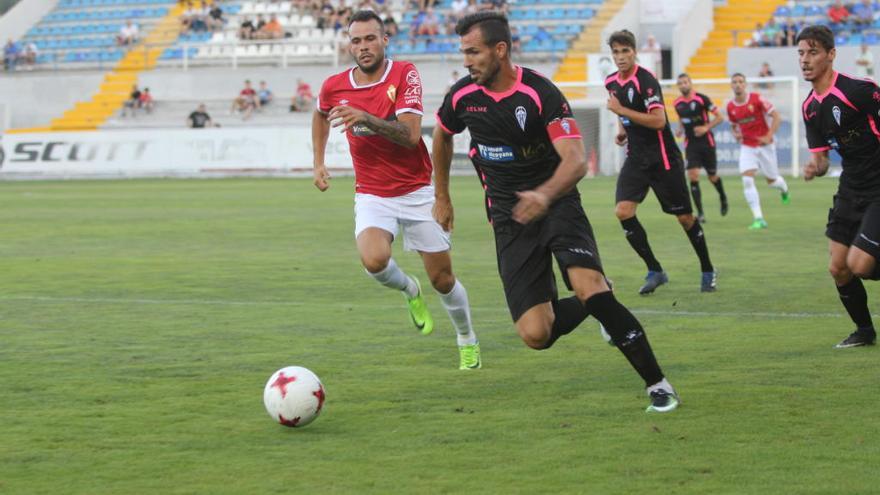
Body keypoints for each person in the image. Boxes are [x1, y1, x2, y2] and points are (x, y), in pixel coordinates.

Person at [433, 12, 680, 413]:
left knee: (588, 286)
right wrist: (441, 196)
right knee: (536, 334)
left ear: (500, 50)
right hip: (510, 220)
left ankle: (658, 384)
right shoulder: (463, 96)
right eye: (463, 52)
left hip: (558, 203)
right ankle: (597, 298)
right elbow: (442, 135)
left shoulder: (540, 94)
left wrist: (545, 196)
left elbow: (576, 160)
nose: (466, 60)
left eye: (473, 51)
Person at [312, 10, 481, 370]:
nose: (363, 47)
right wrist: (319, 161)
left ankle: (467, 338)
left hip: (418, 190)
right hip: (373, 192)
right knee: (373, 260)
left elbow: (409, 136)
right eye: (356, 40)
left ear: (385, 40)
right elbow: (320, 112)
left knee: (443, 279)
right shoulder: (334, 85)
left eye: (370, 38)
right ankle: (408, 289)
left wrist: (366, 118)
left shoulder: (405, 73)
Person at [605, 30, 716, 294]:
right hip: (636, 158)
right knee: (623, 211)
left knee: (685, 218)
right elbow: (622, 109)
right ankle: (655, 270)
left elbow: (658, 121)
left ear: (634, 52)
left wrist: (621, 112)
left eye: (625, 51)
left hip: (663, 158)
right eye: (616, 52)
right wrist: (622, 127)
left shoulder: (646, 80)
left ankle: (708, 269)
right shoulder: (611, 81)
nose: (620, 57)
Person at [799, 25, 880, 348]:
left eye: (813, 52)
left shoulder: (860, 90)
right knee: (838, 267)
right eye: (801, 53)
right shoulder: (810, 108)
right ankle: (864, 331)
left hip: (878, 187)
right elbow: (822, 161)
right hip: (850, 187)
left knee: (859, 265)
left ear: (831, 55)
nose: (805, 60)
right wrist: (812, 168)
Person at [726, 73, 790, 230]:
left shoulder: (757, 99)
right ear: (731, 85)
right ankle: (759, 218)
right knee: (747, 179)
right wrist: (736, 134)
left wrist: (768, 135)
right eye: (735, 82)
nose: (738, 84)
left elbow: (776, 116)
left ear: (745, 84)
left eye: (741, 81)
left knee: (772, 181)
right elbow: (733, 125)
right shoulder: (730, 107)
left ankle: (783, 188)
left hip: (765, 146)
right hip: (748, 146)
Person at [673, 73, 728, 223]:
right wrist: (680, 129)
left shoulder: (702, 99)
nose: (683, 85)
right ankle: (701, 213)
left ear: (690, 83)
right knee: (693, 176)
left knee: (712, 177)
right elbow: (681, 118)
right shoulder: (677, 103)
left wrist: (706, 127)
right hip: (691, 144)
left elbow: (720, 117)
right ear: (678, 86)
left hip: (706, 142)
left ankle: (722, 197)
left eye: (685, 82)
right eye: (680, 83)